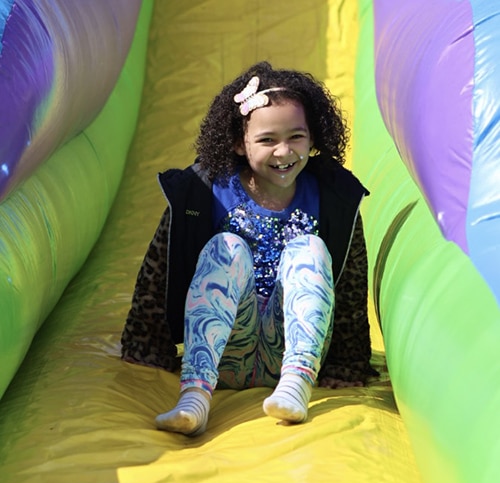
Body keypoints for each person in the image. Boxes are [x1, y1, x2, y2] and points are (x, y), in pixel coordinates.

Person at [121, 61, 377, 437]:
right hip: (223, 353)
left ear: (314, 136)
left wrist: (348, 364)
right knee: (227, 246)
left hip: (291, 351)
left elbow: (351, 285)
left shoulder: (333, 198)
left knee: (309, 248)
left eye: (297, 136)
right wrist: (146, 344)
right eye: (267, 139)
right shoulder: (203, 193)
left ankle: (295, 387)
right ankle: (195, 396)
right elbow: (160, 268)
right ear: (240, 144)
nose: (283, 151)